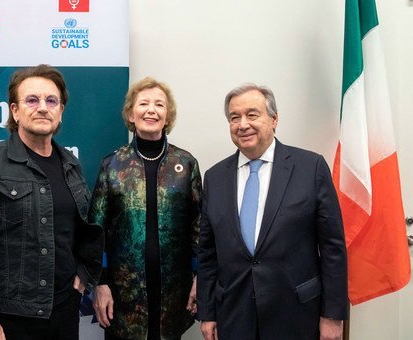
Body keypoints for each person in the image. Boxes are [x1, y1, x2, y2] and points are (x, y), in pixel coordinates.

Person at [0, 65, 104, 340]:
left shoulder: (71, 165)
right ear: (15, 111)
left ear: (60, 111)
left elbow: (81, 231)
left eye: (51, 100)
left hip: (65, 312)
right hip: (9, 319)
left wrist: (83, 272)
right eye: (32, 100)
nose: (42, 107)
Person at [197, 84, 348, 340]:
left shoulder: (310, 168)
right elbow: (208, 253)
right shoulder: (214, 177)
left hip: (297, 316)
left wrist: (333, 316)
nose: (242, 124)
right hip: (234, 317)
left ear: (274, 119)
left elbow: (333, 249)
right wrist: (208, 312)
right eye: (234, 117)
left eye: (252, 115)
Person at [89, 77, 202, 340]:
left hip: (174, 290)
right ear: (131, 113)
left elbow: (199, 227)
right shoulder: (113, 164)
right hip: (123, 291)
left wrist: (200, 277)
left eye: (159, 104)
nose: (151, 109)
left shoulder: (186, 164)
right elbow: (97, 229)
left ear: (167, 115)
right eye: (144, 103)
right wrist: (101, 283)